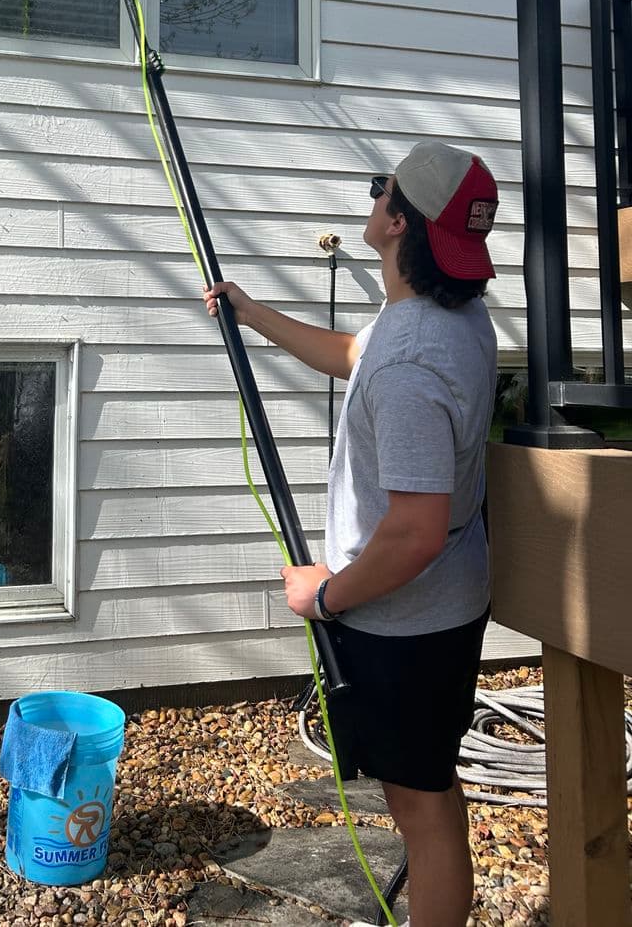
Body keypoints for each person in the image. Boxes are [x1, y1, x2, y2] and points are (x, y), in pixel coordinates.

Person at [204, 141, 499, 927]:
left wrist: (325, 594)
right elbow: (352, 355)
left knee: (423, 806)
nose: (372, 201)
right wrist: (252, 312)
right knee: (430, 791)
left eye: (382, 190)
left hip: (407, 621)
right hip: (445, 607)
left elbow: (412, 533)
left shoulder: (412, 360)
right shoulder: (452, 316)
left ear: (397, 221)